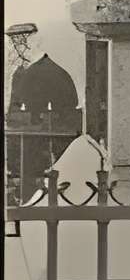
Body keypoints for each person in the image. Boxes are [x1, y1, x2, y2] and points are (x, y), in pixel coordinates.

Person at [5, 24, 82, 205]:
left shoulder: (50, 71)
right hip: (26, 141)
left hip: (48, 140)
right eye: (14, 41)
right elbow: (15, 108)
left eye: (22, 40)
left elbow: (67, 109)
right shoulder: (20, 72)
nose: (17, 46)